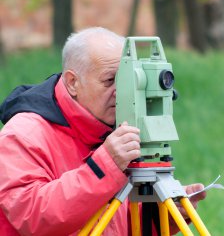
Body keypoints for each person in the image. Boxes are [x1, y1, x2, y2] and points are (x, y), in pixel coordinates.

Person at [0, 27, 206, 235]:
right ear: (73, 83)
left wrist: (165, 217)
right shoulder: (23, 135)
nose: (122, 91)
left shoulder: (110, 128)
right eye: (110, 80)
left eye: (127, 80)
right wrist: (104, 165)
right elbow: (32, 217)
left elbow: (116, 224)